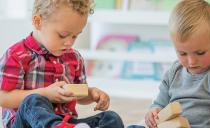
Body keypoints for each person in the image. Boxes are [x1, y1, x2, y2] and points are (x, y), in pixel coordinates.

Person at [0, 0, 124, 128]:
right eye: (62, 35)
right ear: (38, 22)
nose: (69, 42)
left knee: (110, 118)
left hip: (66, 122)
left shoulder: (74, 57)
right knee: (33, 100)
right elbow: (3, 98)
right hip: (26, 124)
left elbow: (78, 93)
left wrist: (92, 94)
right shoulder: (17, 55)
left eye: (75, 36)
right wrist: (45, 93)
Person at [145, 0, 210, 128]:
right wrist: (153, 111)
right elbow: (159, 103)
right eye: (182, 54)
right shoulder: (174, 72)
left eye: (200, 53)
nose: (191, 62)